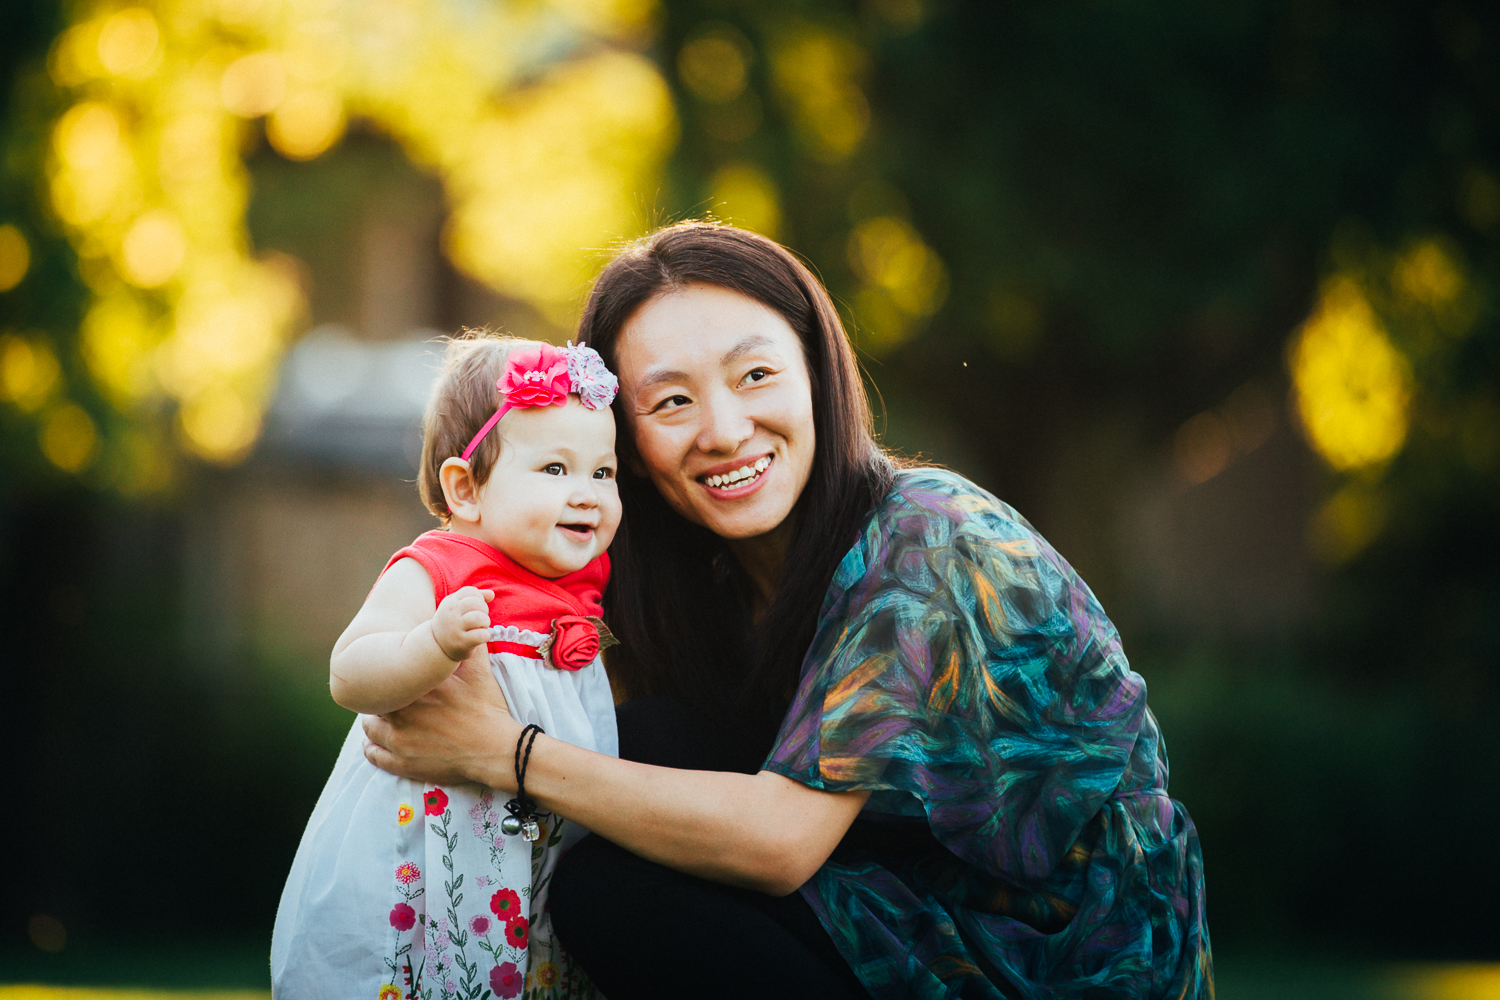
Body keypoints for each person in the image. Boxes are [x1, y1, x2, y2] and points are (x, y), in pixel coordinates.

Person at [362, 223, 1213, 1000]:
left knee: (613, 891)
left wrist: (506, 753)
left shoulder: (931, 540)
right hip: (901, 916)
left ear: (817, 372)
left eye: (756, 375)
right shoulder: (705, 579)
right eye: (671, 401)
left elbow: (780, 845)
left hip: (1052, 962)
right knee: (650, 744)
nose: (726, 430)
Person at [272, 336, 622, 1000]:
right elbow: (349, 672)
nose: (587, 495)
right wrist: (431, 646)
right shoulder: (439, 568)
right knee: (424, 967)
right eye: (554, 470)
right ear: (465, 488)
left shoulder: (582, 585)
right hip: (429, 843)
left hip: (533, 858)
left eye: (603, 473)